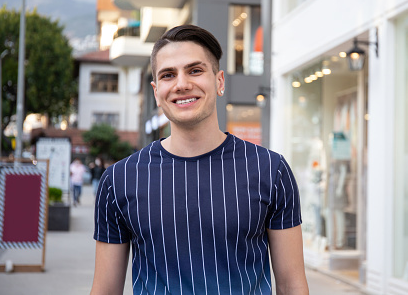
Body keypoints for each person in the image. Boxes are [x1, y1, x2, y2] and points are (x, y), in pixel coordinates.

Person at [90, 25, 309, 295]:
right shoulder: (119, 180)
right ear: (157, 92)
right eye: (168, 75)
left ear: (219, 82)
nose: (182, 84)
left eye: (195, 70)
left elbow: (291, 285)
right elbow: (105, 290)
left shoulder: (271, 171)